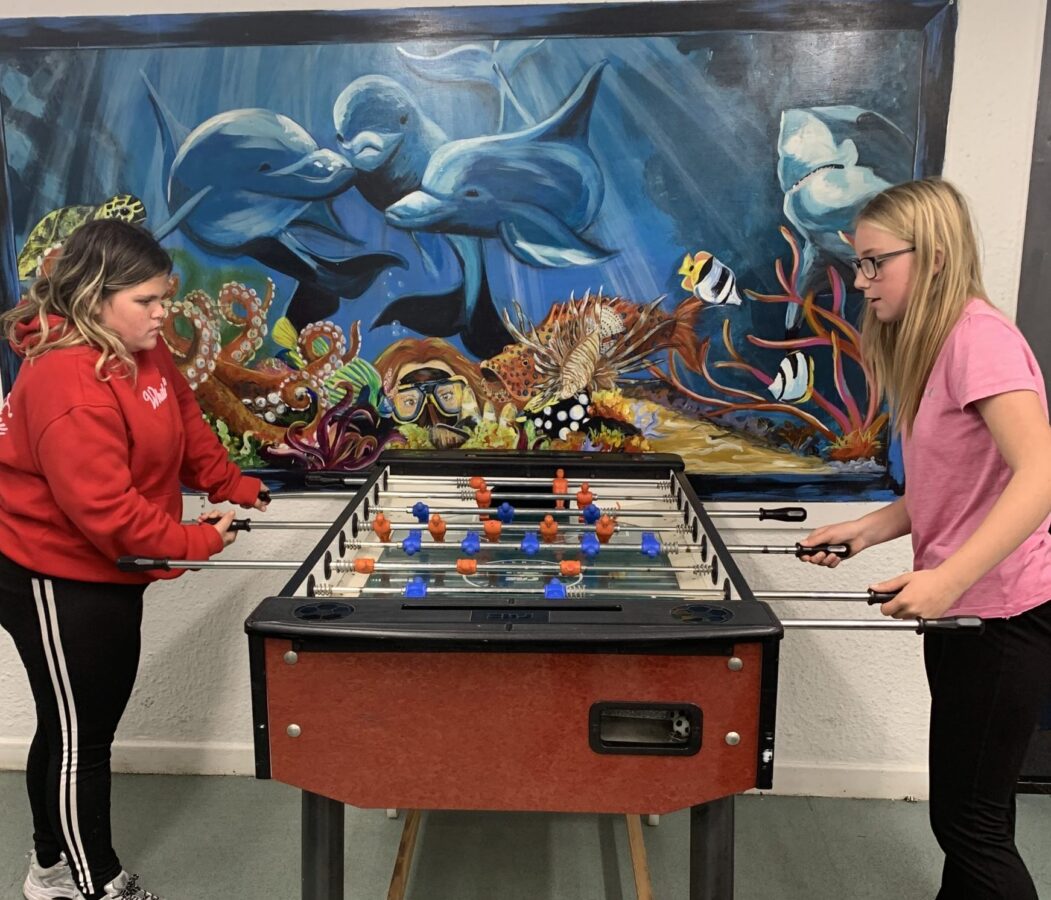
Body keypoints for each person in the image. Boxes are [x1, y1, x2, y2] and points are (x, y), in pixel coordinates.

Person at [0, 219, 268, 900]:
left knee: (76, 725)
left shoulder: (141, 350)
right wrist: (201, 540)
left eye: (164, 298)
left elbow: (184, 421)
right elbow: (111, 518)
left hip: (107, 568)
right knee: (82, 737)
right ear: (95, 298)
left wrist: (229, 484)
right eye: (146, 301)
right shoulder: (65, 381)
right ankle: (95, 885)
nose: (161, 314)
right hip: (48, 573)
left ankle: (51, 869)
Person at [799, 177, 1051, 899]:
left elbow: (1037, 476)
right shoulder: (935, 345)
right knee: (976, 818)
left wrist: (944, 580)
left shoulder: (980, 341)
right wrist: (866, 530)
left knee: (966, 827)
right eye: (857, 263)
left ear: (933, 256)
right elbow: (953, 487)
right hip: (962, 612)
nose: (861, 280)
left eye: (876, 262)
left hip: (1001, 617)